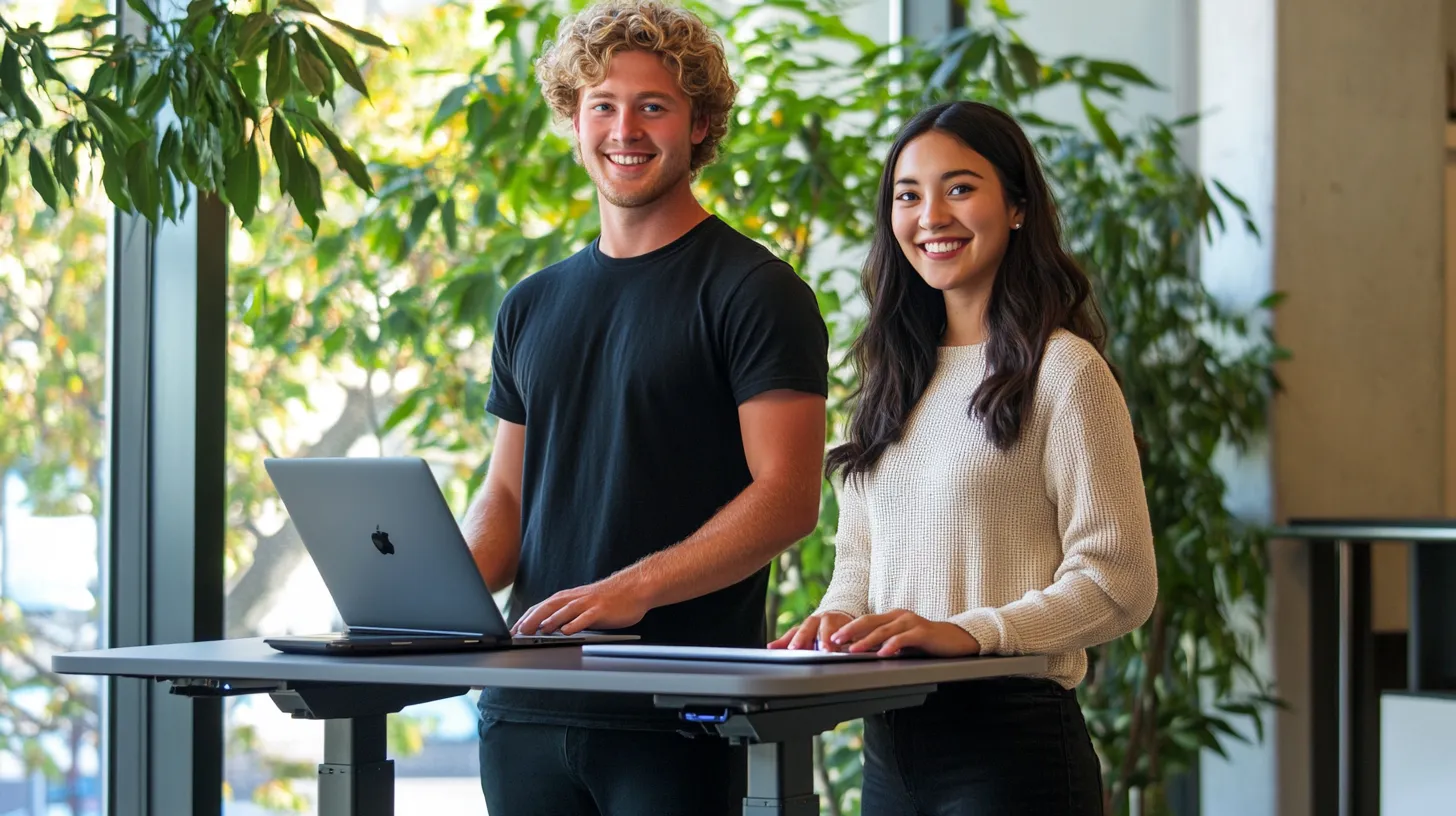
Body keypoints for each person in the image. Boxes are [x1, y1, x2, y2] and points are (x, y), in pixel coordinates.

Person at [461, 2, 829, 814]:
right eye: (602, 106)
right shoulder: (530, 304)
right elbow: (510, 497)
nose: (624, 129)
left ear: (700, 124)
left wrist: (637, 588)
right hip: (525, 706)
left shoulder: (757, 293)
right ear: (572, 119)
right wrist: (426, 600)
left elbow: (788, 498)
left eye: (652, 106)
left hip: (678, 712)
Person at [769, 100, 1158, 815]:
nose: (930, 215)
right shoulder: (889, 379)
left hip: (1011, 749)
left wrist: (967, 633)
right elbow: (859, 566)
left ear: (1015, 207)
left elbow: (1120, 581)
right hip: (888, 751)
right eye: (907, 195)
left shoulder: (1065, 371)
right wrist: (833, 625)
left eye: (959, 187)